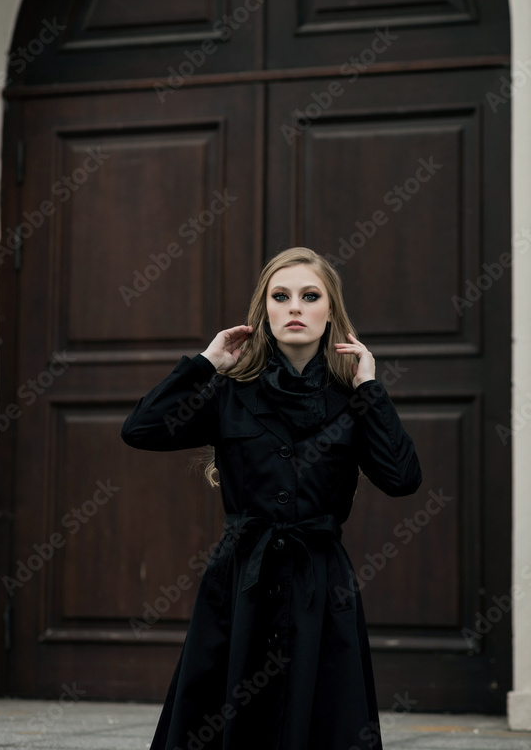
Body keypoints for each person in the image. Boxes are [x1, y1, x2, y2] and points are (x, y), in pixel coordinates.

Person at [120, 246, 422, 750]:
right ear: (264, 312)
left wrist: (370, 388)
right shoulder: (230, 393)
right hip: (241, 579)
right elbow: (142, 429)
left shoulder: (353, 401)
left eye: (310, 296)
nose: (295, 307)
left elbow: (402, 478)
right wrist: (205, 363)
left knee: (322, 712)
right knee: (224, 712)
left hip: (319, 582)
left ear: (331, 313)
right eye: (280, 297)